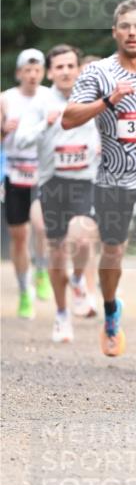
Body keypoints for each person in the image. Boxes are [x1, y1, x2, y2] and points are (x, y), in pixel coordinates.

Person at [62, 0, 136, 363]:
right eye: (124, 26)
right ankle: (111, 312)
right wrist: (108, 101)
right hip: (111, 179)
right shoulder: (98, 73)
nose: (131, 32)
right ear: (115, 32)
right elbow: (69, 118)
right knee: (112, 251)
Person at [15, 45, 100, 342]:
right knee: (56, 251)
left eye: (70, 66)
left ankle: (78, 280)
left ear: (78, 69)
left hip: (85, 180)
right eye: (59, 67)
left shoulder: (91, 98)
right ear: (50, 72)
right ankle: (62, 314)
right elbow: (21, 139)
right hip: (52, 182)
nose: (65, 71)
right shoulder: (40, 102)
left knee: (83, 236)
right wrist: (45, 123)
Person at [1, 49, 51, 317]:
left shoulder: (49, 97)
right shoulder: (5, 99)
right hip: (15, 174)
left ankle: (41, 268)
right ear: (19, 72)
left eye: (37, 70)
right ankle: (24, 290)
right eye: (27, 70)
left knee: (42, 227)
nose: (32, 75)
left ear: (43, 72)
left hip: (43, 172)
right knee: (19, 237)